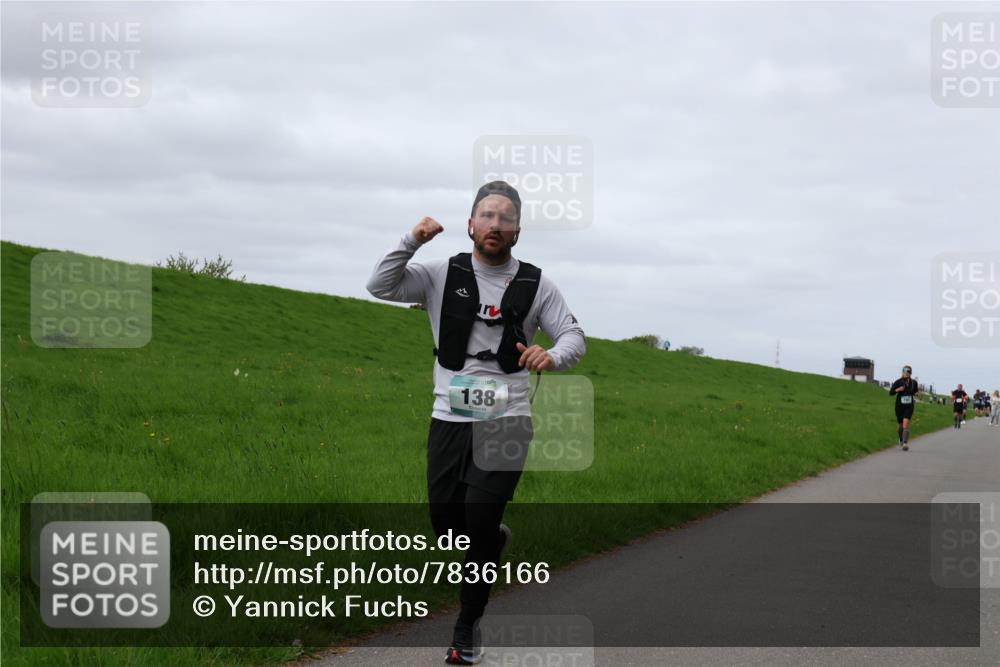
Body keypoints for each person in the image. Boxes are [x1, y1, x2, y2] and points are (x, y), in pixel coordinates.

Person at [366, 181, 586, 665]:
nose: (495, 224)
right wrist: (412, 240)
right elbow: (380, 285)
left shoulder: (536, 284)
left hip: (507, 418)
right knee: (449, 530)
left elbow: (573, 335)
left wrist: (551, 355)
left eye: (505, 218)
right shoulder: (440, 273)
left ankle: (466, 628)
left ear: (517, 232)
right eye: (486, 215)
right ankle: (494, 541)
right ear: (470, 224)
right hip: (450, 416)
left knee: (479, 521)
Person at [889, 365, 918, 451]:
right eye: (905, 372)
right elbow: (891, 393)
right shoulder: (898, 382)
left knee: (906, 424)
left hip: (909, 406)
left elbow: (915, 392)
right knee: (900, 427)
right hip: (899, 406)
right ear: (902, 372)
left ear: (910, 373)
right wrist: (898, 390)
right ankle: (901, 439)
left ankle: (905, 443)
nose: (906, 373)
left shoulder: (914, 383)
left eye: (908, 372)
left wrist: (916, 394)